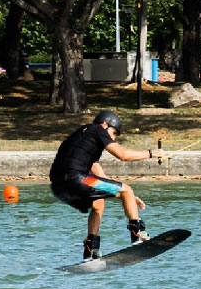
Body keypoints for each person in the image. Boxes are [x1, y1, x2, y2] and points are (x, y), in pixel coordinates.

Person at [49, 110, 164, 261]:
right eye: (114, 132)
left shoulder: (80, 134)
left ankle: (91, 250)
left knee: (98, 202)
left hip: (58, 187)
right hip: (77, 180)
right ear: (105, 124)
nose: (113, 137)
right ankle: (138, 236)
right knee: (126, 189)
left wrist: (125, 195)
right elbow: (122, 155)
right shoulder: (98, 130)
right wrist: (151, 153)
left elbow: (99, 176)